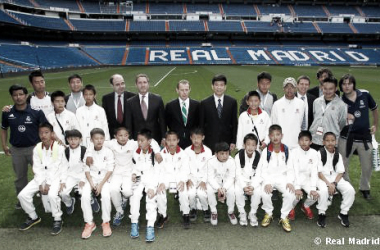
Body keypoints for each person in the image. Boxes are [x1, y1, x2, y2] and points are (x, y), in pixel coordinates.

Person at [86, 127, 161, 227]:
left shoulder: (133, 143)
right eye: (120, 135)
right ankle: (119, 211)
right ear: (115, 136)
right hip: (116, 172)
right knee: (113, 190)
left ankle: (124, 200)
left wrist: (157, 152)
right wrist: (89, 154)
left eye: (125, 135)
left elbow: (152, 141)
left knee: (127, 192)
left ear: (128, 136)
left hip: (129, 172)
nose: (123, 138)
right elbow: (93, 143)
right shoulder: (111, 143)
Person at [1, 85, 47, 209]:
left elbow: (44, 130)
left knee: (41, 174)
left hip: (35, 149)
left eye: (21, 94)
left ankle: (45, 197)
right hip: (17, 150)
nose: (18, 97)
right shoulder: (7, 112)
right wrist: (4, 145)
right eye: (15, 95)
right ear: (12, 97)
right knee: (20, 177)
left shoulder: (36, 112)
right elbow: (4, 129)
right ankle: (22, 199)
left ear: (26, 96)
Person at [17, 122, 65, 235]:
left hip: (56, 177)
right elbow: (37, 168)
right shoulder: (37, 148)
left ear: (52, 134)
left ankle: (58, 219)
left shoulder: (59, 148)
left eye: (46, 132)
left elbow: (56, 168)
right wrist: (40, 183)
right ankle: (33, 217)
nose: (43, 135)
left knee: (53, 195)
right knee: (22, 195)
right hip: (40, 178)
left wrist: (47, 184)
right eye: (41, 133)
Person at [338, 74, 378, 200]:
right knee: (343, 166)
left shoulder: (365, 94)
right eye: (344, 84)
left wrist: (375, 125)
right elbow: (337, 119)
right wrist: (345, 116)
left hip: (365, 137)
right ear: (341, 86)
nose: (346, 86)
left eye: (349, 83)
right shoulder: (339, 100)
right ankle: (348, 188)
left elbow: (374, 109)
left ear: (353, 84)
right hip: (346, 137)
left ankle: (365, 188)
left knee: (367, 166)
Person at [258, 124, 295, 232]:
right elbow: (263, 169)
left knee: (290, 193)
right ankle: (268, 214)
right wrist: (267, 182)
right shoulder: (266, 151)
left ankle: (284, 216)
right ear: (269, 136)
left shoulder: (287, 150)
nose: (275, 137)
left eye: (277, 134)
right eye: (273, 135)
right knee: (265, 192)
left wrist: (289, 181)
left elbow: (290, 168)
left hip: (283, 178)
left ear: (281, 135)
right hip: (269, 177)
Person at [316, 132, 355, 228]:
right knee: (323, 190)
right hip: (322, 178)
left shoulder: (338, 154)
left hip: (334, 178)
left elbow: (341, 172)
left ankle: (343, 212)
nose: (330, 143)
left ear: (336, 142)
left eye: (332, 140)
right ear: (323, 142)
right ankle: (321, 213)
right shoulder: (319, 153)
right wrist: (329, 184)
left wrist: (334, 183)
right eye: (327, 141)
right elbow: (319, 173)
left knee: (350, 190)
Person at [81, 128, 114, 239]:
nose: (99, 141)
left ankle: (105, 222)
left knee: (105, 196)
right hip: (92, 178)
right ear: (91, 140)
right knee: (85, 195)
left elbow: (110, 170)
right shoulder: (88, 152)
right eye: (96, 139)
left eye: (101, 138)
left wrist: (100, 185)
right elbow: (86, 170)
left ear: (104, 139)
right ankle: (90, 223)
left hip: (105, 178)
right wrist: (91, 184)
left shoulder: (108, 151)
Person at [156, 131, 191, 229]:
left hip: (179, 178)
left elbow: (186, 169)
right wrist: (161, 182)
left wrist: (183, 180)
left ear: (178, 141)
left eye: (174, 140)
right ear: (165, 141)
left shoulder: (183, 154)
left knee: (183, 191)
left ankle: (186, 214)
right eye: (169, 140)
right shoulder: (161, 154)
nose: (171, 142)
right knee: (160, 191)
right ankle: (163, 215)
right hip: (166, 179)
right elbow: (159, 170)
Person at [129, 129, 158, 242]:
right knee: (134, 196)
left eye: (142, 140)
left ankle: (150, 226)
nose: (140, 143)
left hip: (151, 180)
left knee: (151, 198)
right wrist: (134, 174)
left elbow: (158, 172)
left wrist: (152, 187)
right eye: (138, 140)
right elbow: (135, 167)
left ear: (149, 141)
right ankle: (134, 223)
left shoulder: (155, 153)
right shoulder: (135, 152)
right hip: (139, 179)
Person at [287, 131, 322, 221]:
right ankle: (291, 208)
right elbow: (294, 170)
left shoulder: (314, 153)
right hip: (295, 178)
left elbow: (314, 171)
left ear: (311, 142)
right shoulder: (293, 152)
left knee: (315, 195)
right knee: (296, 196)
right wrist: (297, 187)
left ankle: (305, 206)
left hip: (307, 179)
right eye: (301, 140)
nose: (304, 142)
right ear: (298, 141)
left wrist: (313, 188)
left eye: (306, 140)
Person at [199, 74, 237, 152]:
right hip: (209, 142)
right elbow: (201, 124)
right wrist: (201, 140)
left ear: (225, 87)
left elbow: (234, 123)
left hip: (226, 141)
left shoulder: (232, 102)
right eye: (216, 85)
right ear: (212, 86)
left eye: (221, 85)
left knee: (225, 163)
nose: (219, 87)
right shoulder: (204, 103)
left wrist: (233, 141)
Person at [125, 74, 166, 145]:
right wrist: (130, 140)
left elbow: (162, 120)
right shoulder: (129, 102)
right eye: (140, 83)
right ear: (136, 85)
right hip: (137, 139)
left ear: (148, 84)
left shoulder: (157, 99)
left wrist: (164, 137)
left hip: (155, 138)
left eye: (144, 82)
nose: (142, 85)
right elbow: (128, 123)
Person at [309, 77, 347, 151]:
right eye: (325, 88)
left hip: (330, 142)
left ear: (335, 89)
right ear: (322, 87)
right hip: (315, 139)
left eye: (330, 89)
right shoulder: (316, 101)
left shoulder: (341, 105)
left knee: (329, 162)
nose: (327, 91)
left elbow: (342, 123)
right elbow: (315, 117)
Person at [184, 128, 212, 222]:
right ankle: (193, 209)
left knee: (201, 193)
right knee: (191, 193)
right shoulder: (187, 151)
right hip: (191, 178)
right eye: (194, 138)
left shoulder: (208, 151)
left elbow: (209, 168)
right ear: (190, 138)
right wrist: (187, 179)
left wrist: (204, 180)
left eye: (198, 138)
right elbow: (185, 167)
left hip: (202, 178)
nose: (196, 140)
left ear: (203, 137)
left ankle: (206, 209)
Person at [206, 142, 237, 226]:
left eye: (227, 153)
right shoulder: (210, 161)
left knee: (232, 191)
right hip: (215, 183)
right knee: (209, 190)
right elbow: (210, 178)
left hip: (227, 183)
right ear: (216, 154)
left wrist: (224, 188)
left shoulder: (232, 161)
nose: (225, 156)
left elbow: (231, 177)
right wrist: (218, 188)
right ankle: (214, 212)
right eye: (222, 154)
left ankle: (230, 211)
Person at [234, 133, 262, 227]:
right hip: (241, 181)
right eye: (248, 144)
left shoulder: (259, 156)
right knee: (238, 191)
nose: (250, 147)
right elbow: (237, 174)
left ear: (256, 146)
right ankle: (242, 213)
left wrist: (252, 186)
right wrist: (244, 187)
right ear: (244, 145)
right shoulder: (239, 156)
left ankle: (252, 213)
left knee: (257, 193)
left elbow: (259, 175)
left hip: (254, 182)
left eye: (253, 145)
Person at [271, 77, 306, 150]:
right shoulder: (277, 104)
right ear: (283, 89)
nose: (289, 89)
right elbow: (273, 124)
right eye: (287, 87)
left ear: (295, 88)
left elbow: (302, 124)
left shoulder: (301, 104)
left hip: (296, 144)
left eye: (292, 87)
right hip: (281, 144)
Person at [165, 80, 200, 149]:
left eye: (186, 90)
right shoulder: (170, 105)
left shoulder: (197, 105)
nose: (184, 92)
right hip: (176, 141)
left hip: (192, 140)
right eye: (182, 90)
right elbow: (167, 122)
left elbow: (198, 122)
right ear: (177, 90)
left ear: (190, 90)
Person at [59, 129, 86, 216]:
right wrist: (63, 181)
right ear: (67, 140)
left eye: (75, 139)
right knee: (62, 192)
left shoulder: (84, 150)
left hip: (83, 175)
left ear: (80, 140)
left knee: (84, 192)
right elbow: (64, 167)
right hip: (70, 176)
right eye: (70, 139)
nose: (73, 141)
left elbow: (87, 167)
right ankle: (70, 203)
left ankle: (92, 199)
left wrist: (83, 179)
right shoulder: (66, 151)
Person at [102, 74, 135, 139]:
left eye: (122, 83)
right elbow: (105, 119)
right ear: (112, 85)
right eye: (117, 84)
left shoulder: (133, 97)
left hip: (130, 136)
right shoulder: (106, 98)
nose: (121, 86)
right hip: (113, 137)